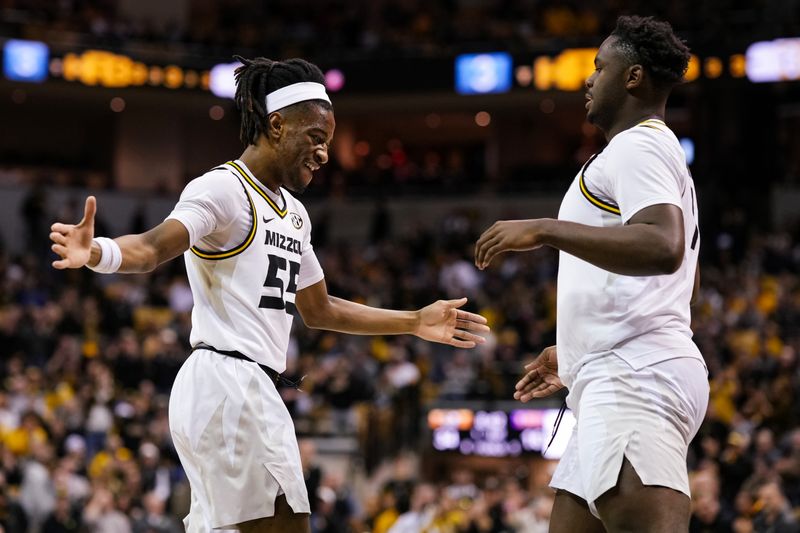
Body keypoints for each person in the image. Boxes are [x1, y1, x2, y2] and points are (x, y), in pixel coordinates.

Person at [50, 56, 489, 533]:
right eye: (315, 138)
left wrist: (414, 321)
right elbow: (155, 247)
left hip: (242, 386)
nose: (324, 154)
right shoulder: (223, 188)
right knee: (288, 523)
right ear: (276, 125)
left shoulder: (295, 215)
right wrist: (98, 252)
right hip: (226, 379)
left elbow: (320, 310)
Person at [475, 16, 707, 533]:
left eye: (600, 67)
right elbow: (682, 284)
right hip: (616, 370)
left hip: (635, 378)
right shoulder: (654, 153)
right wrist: (578, 349)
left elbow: (664, 248)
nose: (588, 79)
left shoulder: (638, 146)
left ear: (633, 77)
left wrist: (545, 230)